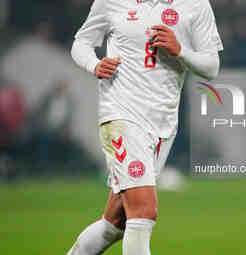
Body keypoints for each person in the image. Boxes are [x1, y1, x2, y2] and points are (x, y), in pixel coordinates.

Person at [67, 0, 223, 254]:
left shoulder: (196, 4)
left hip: (162, 124)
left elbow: (212, 67)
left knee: (115, 224)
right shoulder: (110, 2)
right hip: (121, 114)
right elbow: (81, 43)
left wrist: (180, 50)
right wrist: (93, 64)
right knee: (144, 212)